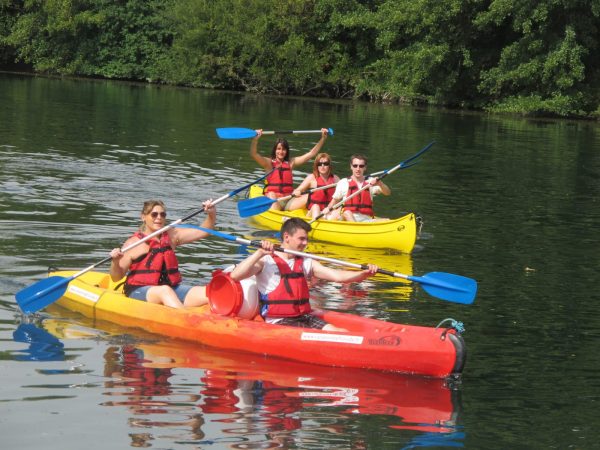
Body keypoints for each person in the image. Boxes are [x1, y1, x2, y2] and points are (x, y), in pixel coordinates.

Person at [229, 218, 378, 331]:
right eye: (301, 238)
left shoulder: (306, 261)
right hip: (279, 322)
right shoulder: (265, 260)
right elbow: (235, 276)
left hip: (304, 317)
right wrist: (258, 253)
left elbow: (337, 276)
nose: (305, 243)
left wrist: (364, 274)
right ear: (286, 237)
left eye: (306, 239)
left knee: (340, 332)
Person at [109, 199, 216, 309]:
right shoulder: (133, 243)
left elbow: (205, 230)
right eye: (154, 214)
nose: (159, 218)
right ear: (143, 217)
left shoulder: (172, 236)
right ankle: (187, 319)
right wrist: (115, 261)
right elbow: (116, 277)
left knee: (207, 293)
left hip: (170, 288)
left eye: (162, 214)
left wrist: (211, 213)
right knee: (164, 291)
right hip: (138, 290)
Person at [250, 127, 330, 210]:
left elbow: (311, 154)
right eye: (278, 149)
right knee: (271, 194)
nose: (281, 152)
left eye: (284, 149)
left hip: (290, 200)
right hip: (275, 200)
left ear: (287, 151)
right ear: (275, 150)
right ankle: (276, 215)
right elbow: (254, 154)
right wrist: (255, 140)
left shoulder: (291, 163)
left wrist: (323, 138)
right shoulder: (268, 163)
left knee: (309, 196)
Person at [322, 154, 391, 222]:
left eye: (361, 166)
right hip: (347, 218)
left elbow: (387, 193)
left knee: (387, 221)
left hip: (366, 220)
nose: (358, 169)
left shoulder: (371, 182)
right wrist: (328, 208)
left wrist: (381, 184)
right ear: (351, 167)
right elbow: (334, 201)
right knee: (347, 213)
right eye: (355, 166)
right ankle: (356, 230)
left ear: (365, 167)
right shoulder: (343, 182)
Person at [286, 152, 340, 217]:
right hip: (313, 211)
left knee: (341, 210)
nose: (322, 166)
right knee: (316, 206)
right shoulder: (311, 178)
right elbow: (297, 190)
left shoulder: (336, 179)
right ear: (317, 166)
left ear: (329, 166)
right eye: (320, 164)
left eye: (325, 164)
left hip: (328, 211)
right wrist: (297, 192)